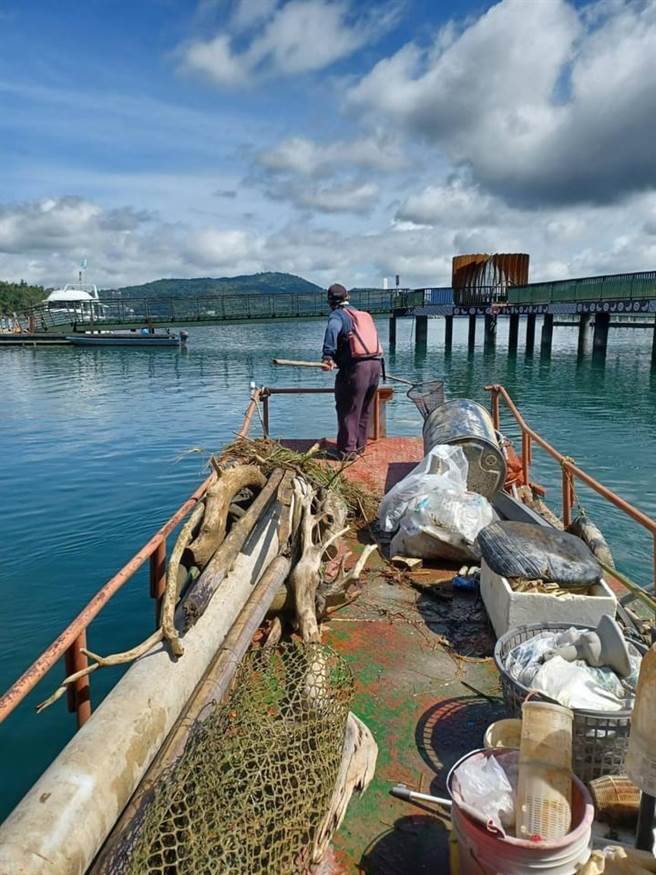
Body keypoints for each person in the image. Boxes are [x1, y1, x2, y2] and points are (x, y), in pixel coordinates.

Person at [321, 283, 383, 459]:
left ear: (330, 301)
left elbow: (333, 330)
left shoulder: (338, 315)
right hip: (375, 365)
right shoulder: (360, 314)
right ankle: (359, 446)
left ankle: (347, 452)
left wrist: (327, 356)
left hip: (357, 368)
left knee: (348, 408)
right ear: (348, 297)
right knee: (363, 408)